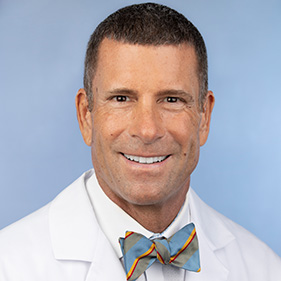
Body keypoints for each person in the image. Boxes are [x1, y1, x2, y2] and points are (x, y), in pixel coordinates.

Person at [0, 3, 280, 281]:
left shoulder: (263, 268)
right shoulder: (10, 265)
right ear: (86, 116)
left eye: (172, 100)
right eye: (121, 99)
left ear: (204, 117)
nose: (147, 130)